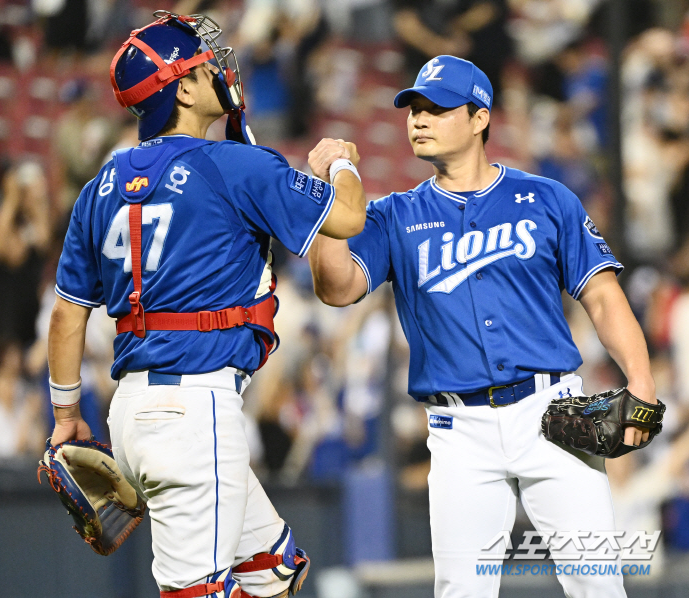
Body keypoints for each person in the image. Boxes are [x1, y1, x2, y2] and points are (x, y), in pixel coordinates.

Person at [308, 55, 658, 598]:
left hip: (552, 415)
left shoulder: (546, 198)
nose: (419, 119)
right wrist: (329, 196)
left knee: (599, 586)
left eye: (438, 109)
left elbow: (604, 296)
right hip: (458, 429)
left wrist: (641, 381)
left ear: (480, 119)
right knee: (461, 592)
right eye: (414, 109)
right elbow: (336, 289)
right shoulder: (395, 214)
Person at [47, 11, 365, 598]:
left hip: (132, 416)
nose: (221, 70)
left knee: (273, 572)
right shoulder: (233, 165)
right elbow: (348, 217)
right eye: (203, 64)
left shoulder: (101, 184)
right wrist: (339, 164)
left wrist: (66, 418)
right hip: (197, 411)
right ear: (184, 87)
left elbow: (68, 313)